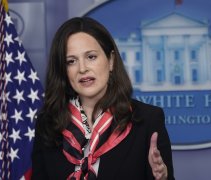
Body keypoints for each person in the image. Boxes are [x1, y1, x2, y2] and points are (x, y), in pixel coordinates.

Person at [31, 17, 175, 180]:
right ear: (63, 70)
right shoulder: (47, 124)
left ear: (111, 60)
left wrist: (162, 179)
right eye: (71, 61)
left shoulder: (147, 120)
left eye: (91, 57)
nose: (83, 68)